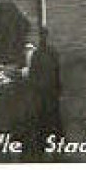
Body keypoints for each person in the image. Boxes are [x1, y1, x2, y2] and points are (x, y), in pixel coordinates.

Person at [26, 26, 63, 158]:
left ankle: (55, 141)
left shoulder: (49, 53)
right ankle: (47, 142)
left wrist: (58, 85)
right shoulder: (39, 53)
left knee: (51, 115)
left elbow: (57, 70)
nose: (42, 38)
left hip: (48, 89)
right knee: (46, 115)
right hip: (44, 90)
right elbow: (33, 73)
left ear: (46, 36)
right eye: (41, 36)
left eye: (44, 35)